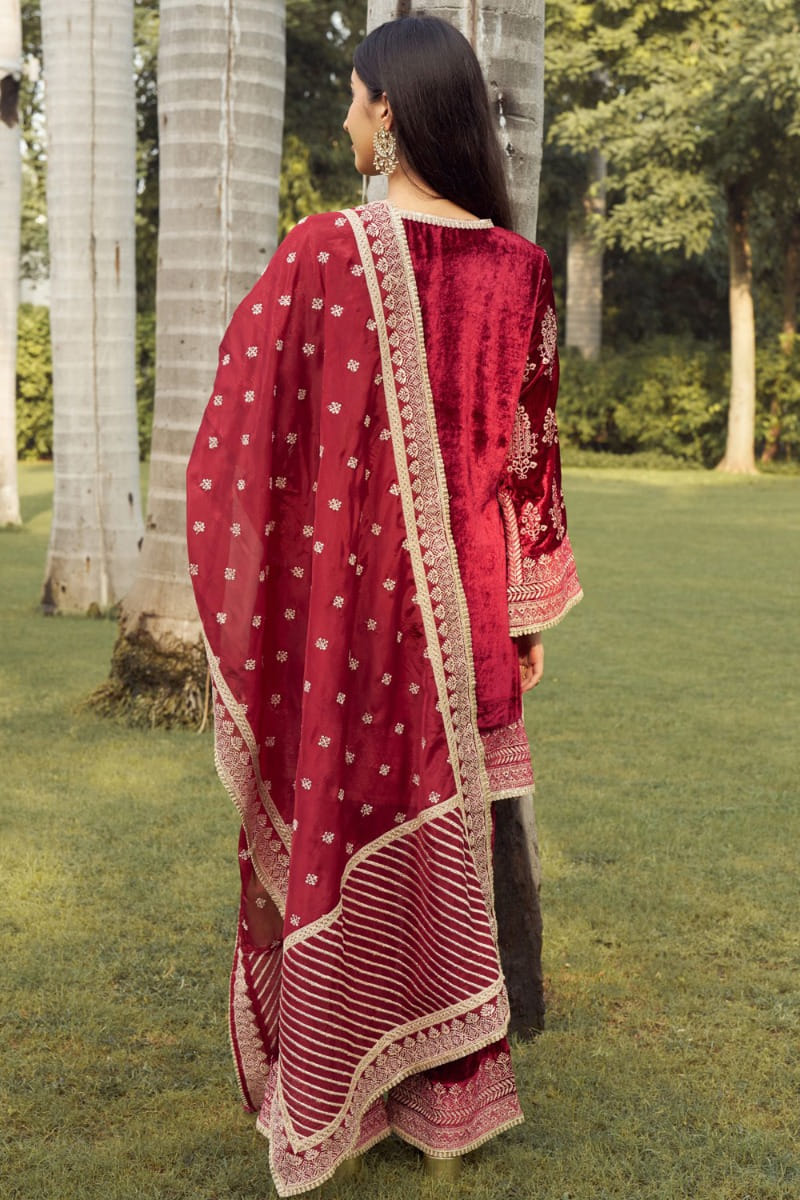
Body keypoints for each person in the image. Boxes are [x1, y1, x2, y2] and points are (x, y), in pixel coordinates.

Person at [186, 15, 582, 1197]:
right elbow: (531, 466)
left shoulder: (324, 252)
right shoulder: (521, 268)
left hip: (356, 621)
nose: (347, 117)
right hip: (470, 614)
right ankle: (445, 1101)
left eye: (355, 99)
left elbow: (243, 435)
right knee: (457, 850)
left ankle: (341, 1087)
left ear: (390, 113)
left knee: (347, 838)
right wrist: (521, 616)